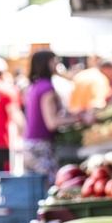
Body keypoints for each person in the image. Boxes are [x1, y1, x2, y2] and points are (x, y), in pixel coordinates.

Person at [22, 50, 88, 179]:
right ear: (47, 64)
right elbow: (52, 122)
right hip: (41, 146)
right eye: (55, 62)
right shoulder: (46, 88)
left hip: (31, 144)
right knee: (49, 185)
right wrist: (79, 118)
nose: (58, 65)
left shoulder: (35, 86)